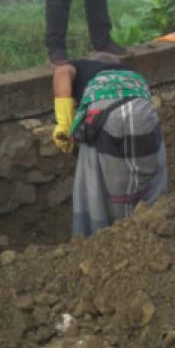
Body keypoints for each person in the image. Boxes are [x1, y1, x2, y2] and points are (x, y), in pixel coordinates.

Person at [50, 53, 167, 238]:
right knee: (150, 174)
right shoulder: (131, 75)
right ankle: (153, 224)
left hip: (105, 111)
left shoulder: (82, 67)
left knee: (94, 173)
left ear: (93, 61)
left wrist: (64, 124)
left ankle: (97, 234)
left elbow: (62, 72)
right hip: (143, 110)